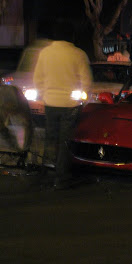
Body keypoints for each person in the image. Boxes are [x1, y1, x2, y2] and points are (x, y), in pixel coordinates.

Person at [33, 19, 92, 189]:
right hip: (70, 104)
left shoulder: (45, 53)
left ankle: (45, 176)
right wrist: (82, 100)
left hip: (50, 103)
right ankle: (62, 178)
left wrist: (45, 95)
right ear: (72, 35)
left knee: (50, 139)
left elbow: (38, 79)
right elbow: (86, 82)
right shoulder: (78, 54)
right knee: (65, 141)